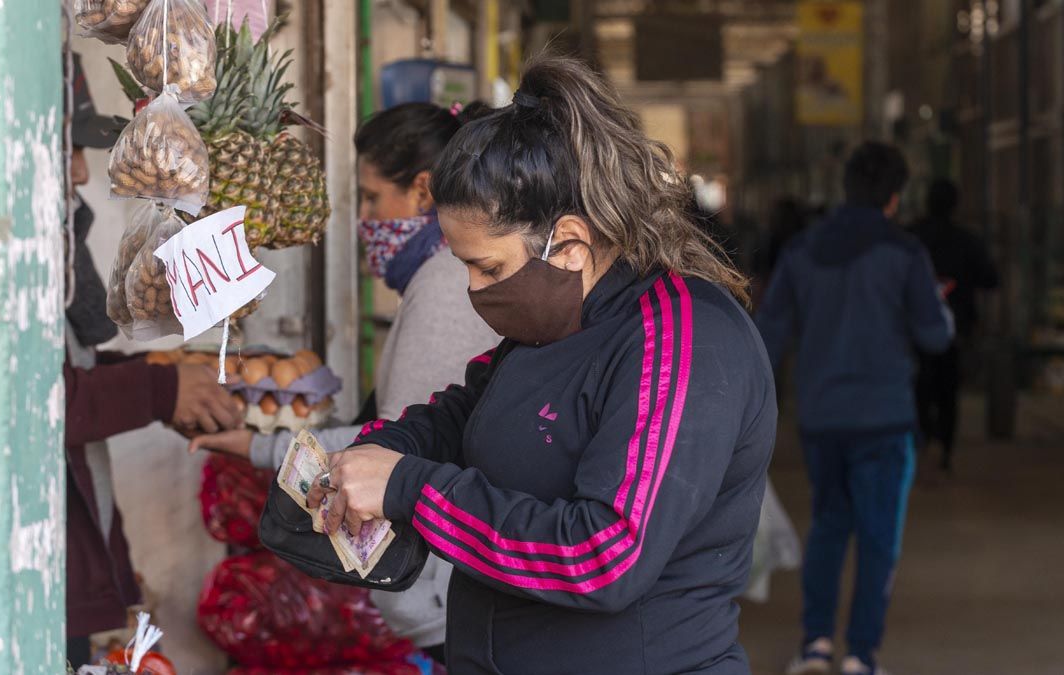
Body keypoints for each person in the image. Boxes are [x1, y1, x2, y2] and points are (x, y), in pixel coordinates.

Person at [296, 55, 776, 674]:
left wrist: (411, 488)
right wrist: (377, 452)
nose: (472, 289)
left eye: (488, 268)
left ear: (569, 243)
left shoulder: (684, 342)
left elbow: (605, 559)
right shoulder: (556, 319)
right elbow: (464, 414)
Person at [190, 102, 498, 663]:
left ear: (423, 192)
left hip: (440, 592)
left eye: (372, 197)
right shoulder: (438, 277)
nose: (364, 217)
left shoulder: (443, 283)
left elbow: (399, 444)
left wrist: (261, 447)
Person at [62, 54, 242, 667]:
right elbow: (44, 401)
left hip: (77, 551)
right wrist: (161, 390)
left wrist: (166, 382)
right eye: (68, 151)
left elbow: (72, 371)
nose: (81, 172)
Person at [755, 142, 954, 675]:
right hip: (885, 419)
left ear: (844, 188)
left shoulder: (801, 250)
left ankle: (815, 645)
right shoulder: (905, 252)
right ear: (894, 197)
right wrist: (938, 307)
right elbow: (934, 336)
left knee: (828, 525)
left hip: (822, 418)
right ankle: (861, 656)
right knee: (878, 538)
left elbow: (767, 337)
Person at [912, 179, 998, 474]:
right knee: (948, 390)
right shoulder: (967, 241)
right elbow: (990, 278)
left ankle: (924, 439)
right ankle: (945, 448)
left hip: (915, 328)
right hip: (955, 329)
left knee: (920, 385)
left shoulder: (911, 238)